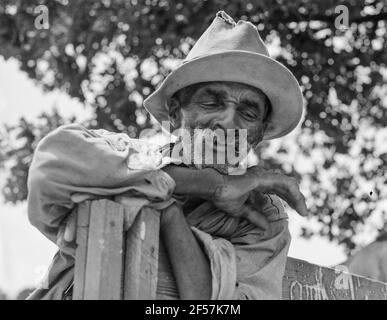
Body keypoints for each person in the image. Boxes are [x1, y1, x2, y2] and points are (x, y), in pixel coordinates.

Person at [27, 11, 307, 300]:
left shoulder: (265, 216)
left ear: (258, 136)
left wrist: (166, 208)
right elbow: (51, 168)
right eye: (211, 102)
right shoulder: (130, 155)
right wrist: (213, 185)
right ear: (175, 114)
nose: (227, 121)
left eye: (248, 113)